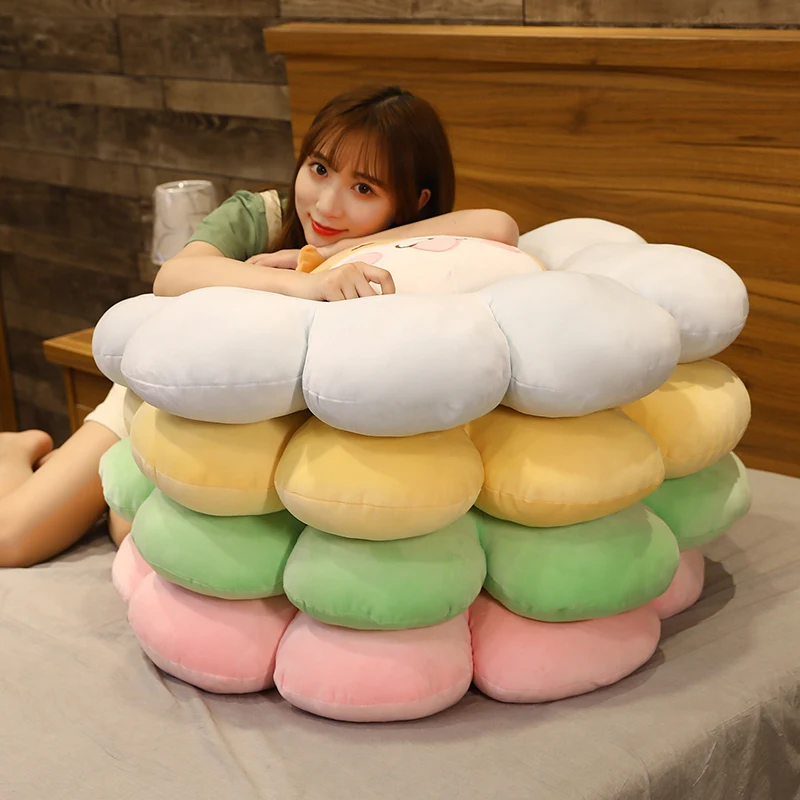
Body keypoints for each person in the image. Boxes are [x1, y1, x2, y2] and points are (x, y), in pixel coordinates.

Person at [0, 84, 518, 569]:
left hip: (259, 438)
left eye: (363, 187)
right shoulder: (264, 216)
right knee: (12, 539)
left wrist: (339, 251)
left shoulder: (413, 250)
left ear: (414, 201)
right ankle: (17, 448)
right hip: (170, 400)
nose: (327, 204)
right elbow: (174, 276)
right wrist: (303, 282)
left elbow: (499, 226)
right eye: (319, 169)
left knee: (135, 533)